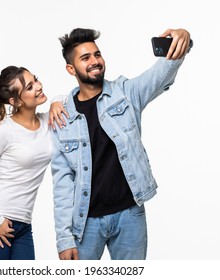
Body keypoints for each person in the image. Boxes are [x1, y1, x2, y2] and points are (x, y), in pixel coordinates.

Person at [51, 28, 192, 260]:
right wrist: (64, 238)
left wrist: (183, 37)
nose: (95, 61)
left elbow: (162, 72)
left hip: (129, 216)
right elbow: (62, 183)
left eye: (97, 55)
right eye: (85, 58)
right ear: (71, 68)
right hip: (85, 223)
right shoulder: (62, 118)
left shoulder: (126, 93)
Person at [0, 65, 67, 260]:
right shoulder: (4, 130)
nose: (38, 87)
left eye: (36, 80)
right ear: (15, 101)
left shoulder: (49, 120)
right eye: (29, 87)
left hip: (23, 225)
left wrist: (56, 101)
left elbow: (75, 96)